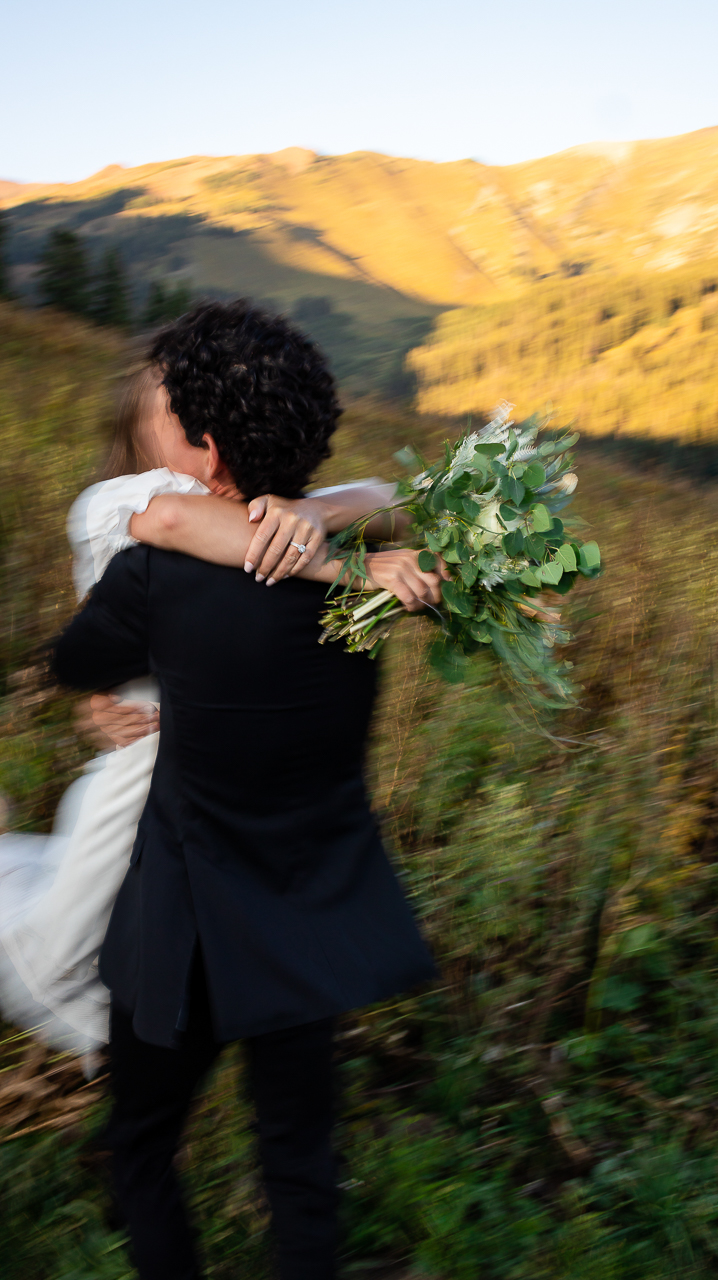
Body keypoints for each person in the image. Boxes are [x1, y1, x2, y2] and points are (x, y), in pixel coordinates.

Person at [51, 299, 440, 1279]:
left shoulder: (153, 574)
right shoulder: (371, 586)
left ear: (209, 451)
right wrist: (329, 524)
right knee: (301, 1166)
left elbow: (76, 653)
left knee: (142, 1144)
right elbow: (385, 494)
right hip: (306, 922)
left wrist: (103, 692)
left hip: (176, 932)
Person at [0, 314, 440, 1061]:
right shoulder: (120, 507)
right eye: (175, 413)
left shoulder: (259, 509)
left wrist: (315, 512)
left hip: (206, 779)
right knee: (57, 954)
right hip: (144, 772)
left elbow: (387, 495)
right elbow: (178, 520)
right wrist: (343, 565)